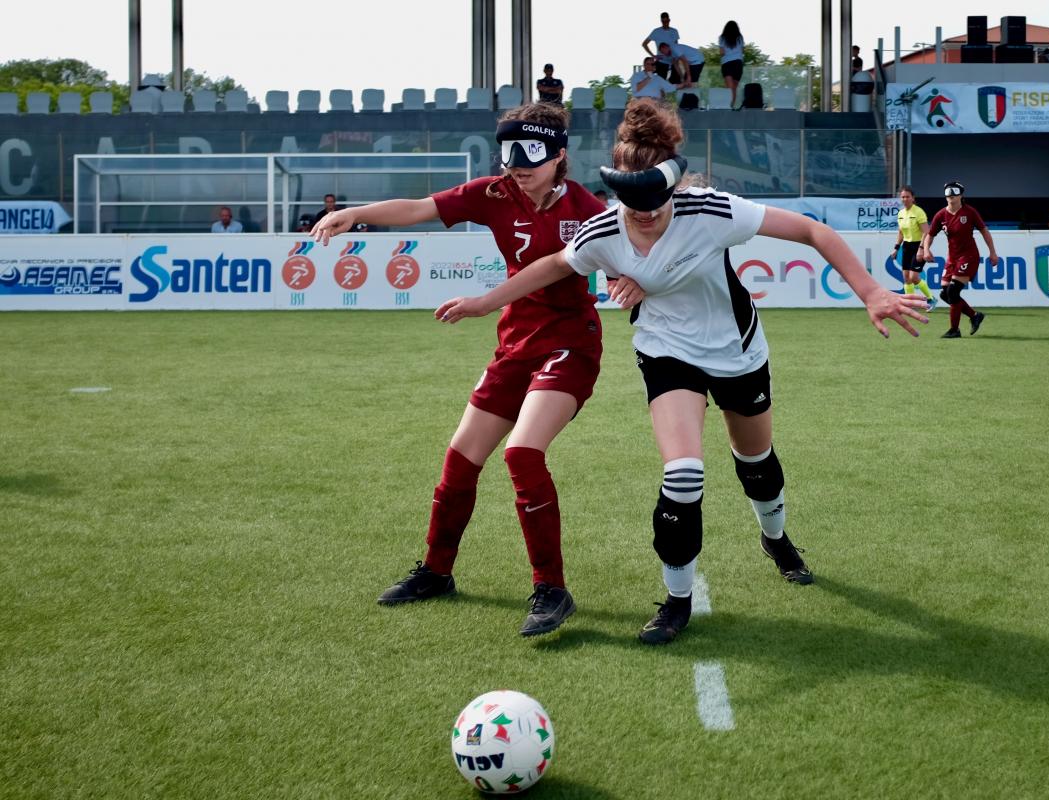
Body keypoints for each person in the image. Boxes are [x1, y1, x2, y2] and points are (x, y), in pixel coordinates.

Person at [435, 100, 929, 645]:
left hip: (737, 350)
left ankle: (776, 536)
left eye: (657, 202)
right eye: (632, 203)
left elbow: (813, 232)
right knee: (684, 473)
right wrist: (485, 303)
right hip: (668, 351)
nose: (644, 214)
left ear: (674, 187)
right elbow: (552, 266)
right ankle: (676, 599)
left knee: (756, 464)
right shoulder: (602, 230)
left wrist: (872, 291)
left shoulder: (713, 211)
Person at [310, 103, 637, 637]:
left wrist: (634, 281)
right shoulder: (492, 194)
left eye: (531, 153)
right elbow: (419, 208)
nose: (518, 164)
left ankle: (552, 589)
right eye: (509, 152)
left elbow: (629, 262)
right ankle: (437, 573)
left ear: (560, 156)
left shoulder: (587, 208)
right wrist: (357, 213)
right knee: (461, 459)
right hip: (515, 343)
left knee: (523, 452)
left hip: (570, 345)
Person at [920, 181, 999, 339]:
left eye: (954, 193)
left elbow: (984, 231)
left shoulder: (970, 212)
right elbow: (930, 234)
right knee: (945, 294)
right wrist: (926, 249)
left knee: (953, 291)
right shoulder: (941, 215)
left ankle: (954, 330)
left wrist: (993, 253)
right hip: (952, 258)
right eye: (948, 193)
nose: (950, 196)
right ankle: (974, 315)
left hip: (968, 255)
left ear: (961, 195)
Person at [893, 186, 935, 309]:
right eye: (902, 197)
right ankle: (911, 304)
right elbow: (901, 232)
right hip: (906, 246)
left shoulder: (918, 212)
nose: (905, 199)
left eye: (907, 196)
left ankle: (931, 299)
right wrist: (896, 248)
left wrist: (921, 248)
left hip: (918, 245)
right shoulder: (900, 213)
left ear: (913, 198)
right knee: (906, 278)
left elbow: (926, 232)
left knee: (914, 277)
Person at [642, 11, 680, 79]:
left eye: (666, 21)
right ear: (661, 21)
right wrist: (653, 56)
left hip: (673, 62)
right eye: (663, 22)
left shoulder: (674, 31)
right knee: (645, 75)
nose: (665, 23)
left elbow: (677, 46)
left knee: (676, 83)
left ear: (669, 20)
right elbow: (644, 44)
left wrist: (677, 58)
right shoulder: (656, 31)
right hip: (661, 62)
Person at [718, 21, 745, 105]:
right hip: (738, 64)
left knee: (729, 88)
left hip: (727, 63)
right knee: (734, 88)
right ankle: (731, 106)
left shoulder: (722, 37)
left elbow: (722, 52)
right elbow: (742, 50)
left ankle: (728, 106)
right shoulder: (740, 37)